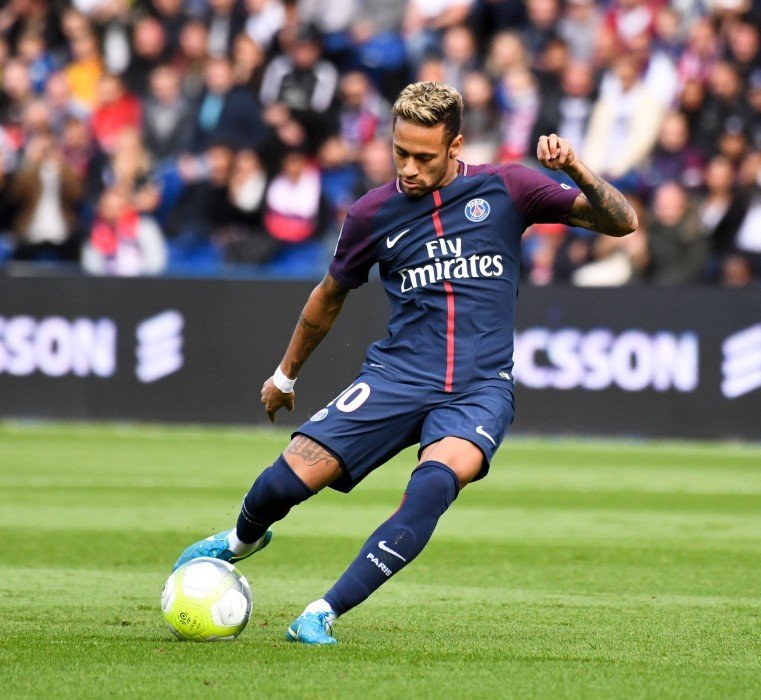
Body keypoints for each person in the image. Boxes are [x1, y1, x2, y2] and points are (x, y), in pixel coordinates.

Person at [171, 81, 638, 644]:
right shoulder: (372, 214)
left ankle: (322, 612)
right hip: (396, 377)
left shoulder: (508, 187)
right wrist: (284, 376)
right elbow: (329, 296)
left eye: (424, 156)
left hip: (479, 390)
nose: (409, 168)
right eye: (400, 153)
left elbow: (622, 222)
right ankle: (241, 541)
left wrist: (576, 169)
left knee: (432, 489)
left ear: (455, 146)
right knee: (282, 484)